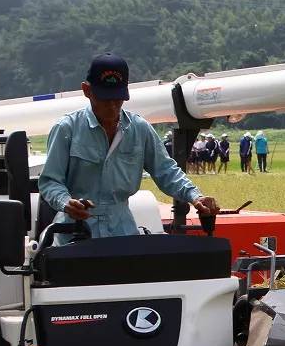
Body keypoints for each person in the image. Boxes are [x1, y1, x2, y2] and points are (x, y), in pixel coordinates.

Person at [38, 52, 218, 241]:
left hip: (122, 232)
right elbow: (50, 181)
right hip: (74, 232)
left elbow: (166, 171)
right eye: (105, 99)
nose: (113, 106)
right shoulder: (67, 129)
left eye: (118, 99)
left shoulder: (139, 129)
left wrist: (195, 196)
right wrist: (66, 202)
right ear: (87, 91)